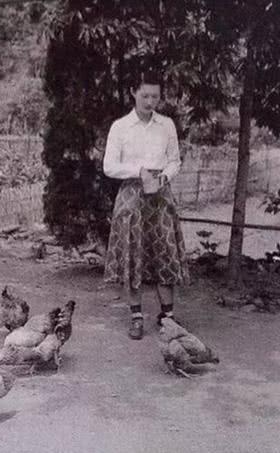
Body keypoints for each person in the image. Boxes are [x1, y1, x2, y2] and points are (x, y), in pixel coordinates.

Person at [103, 72, 189, 340]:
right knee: (133, 253)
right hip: (131, 195)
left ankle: (168, 317)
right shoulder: (120, 127)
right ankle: (136, 316)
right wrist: (138, 171)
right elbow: (109, 166)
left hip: (160, 196)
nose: (150, 102)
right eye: (145, 96)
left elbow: (174, 161)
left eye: (155, 96)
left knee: (165, 252)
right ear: (133, 92)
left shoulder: (166, 125)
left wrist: (164, 177)